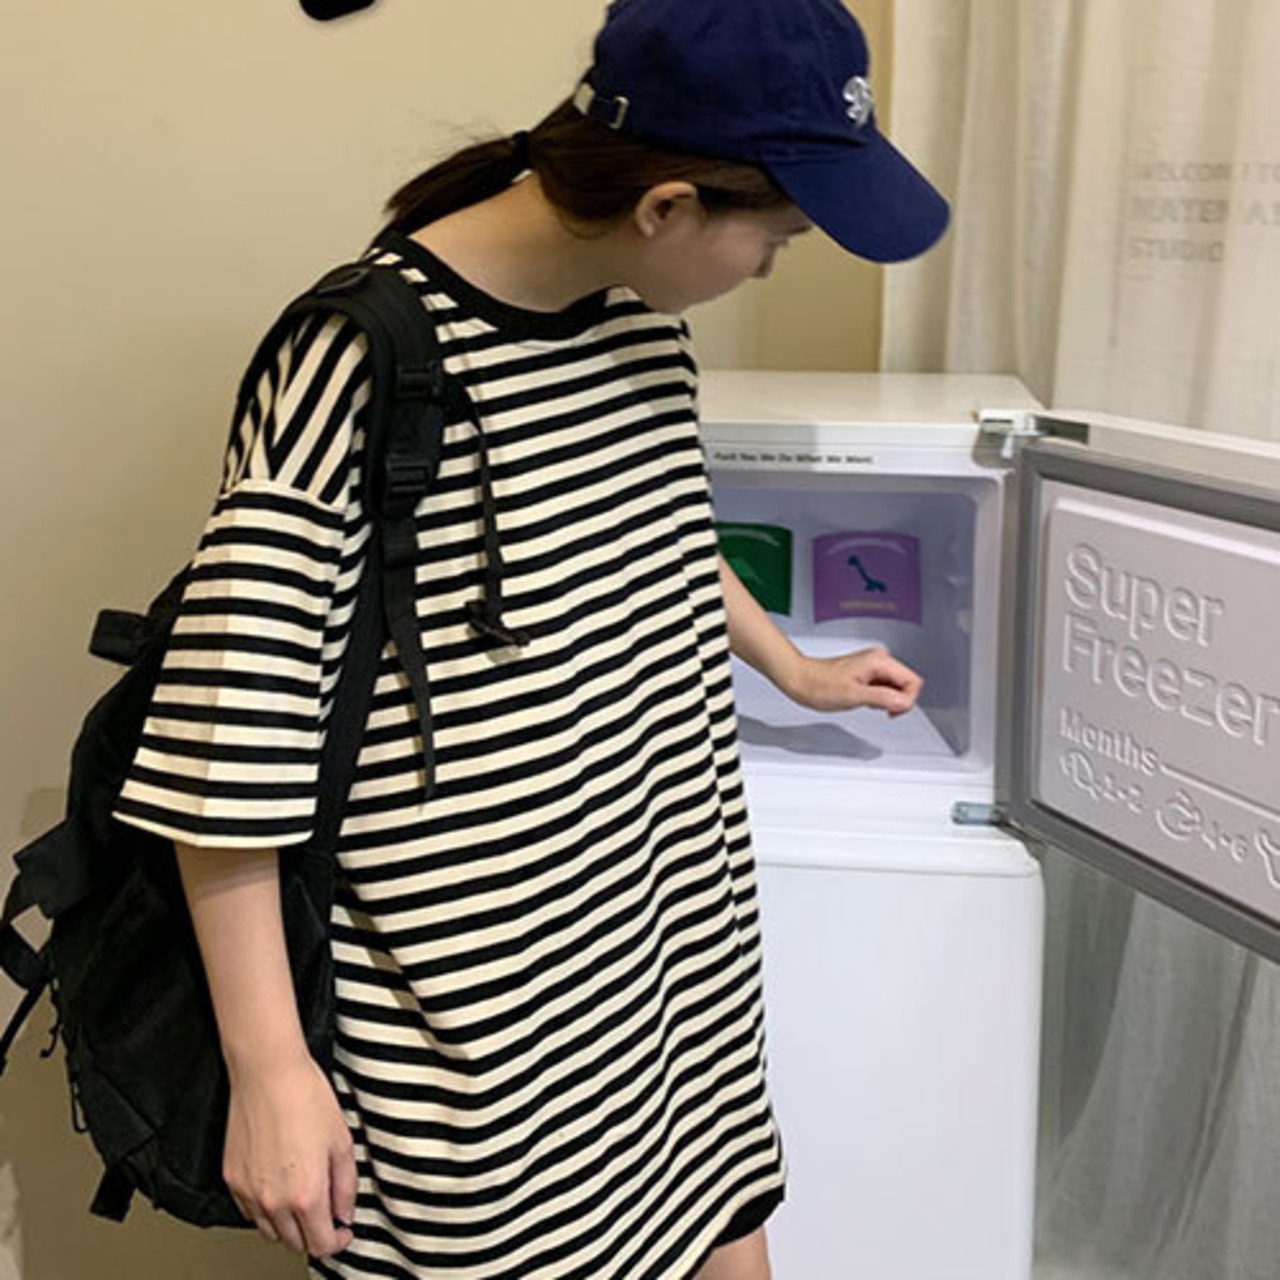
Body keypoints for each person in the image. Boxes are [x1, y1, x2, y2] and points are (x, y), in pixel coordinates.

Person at [113, 0, 947, 1276]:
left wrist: (789, 664)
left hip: (672, 952)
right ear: (666, 205)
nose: (766, 270)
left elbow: (663, 526)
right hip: (478, 1041)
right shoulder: (358, 360)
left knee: (728, 1231)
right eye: (773, 241)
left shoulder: (637, 317)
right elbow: (230, 741)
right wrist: (271, 1067)